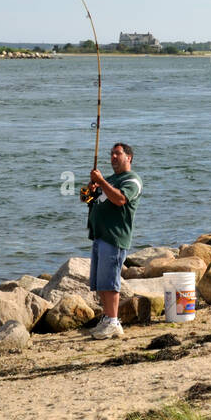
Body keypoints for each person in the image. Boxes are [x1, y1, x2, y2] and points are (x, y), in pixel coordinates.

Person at [85, 142, 143, 339]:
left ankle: (113, 322)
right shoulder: (109, 179)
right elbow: (86, 200)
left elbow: (120, 199)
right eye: (111, 154)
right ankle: (107, 317)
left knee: (110, 282)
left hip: (115, 236)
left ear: (129, 158)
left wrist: (101, 182)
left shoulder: (132, 180)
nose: (113, 157)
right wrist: (89, 189)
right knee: (101, 283)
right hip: (99, 235)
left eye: (118, 154)